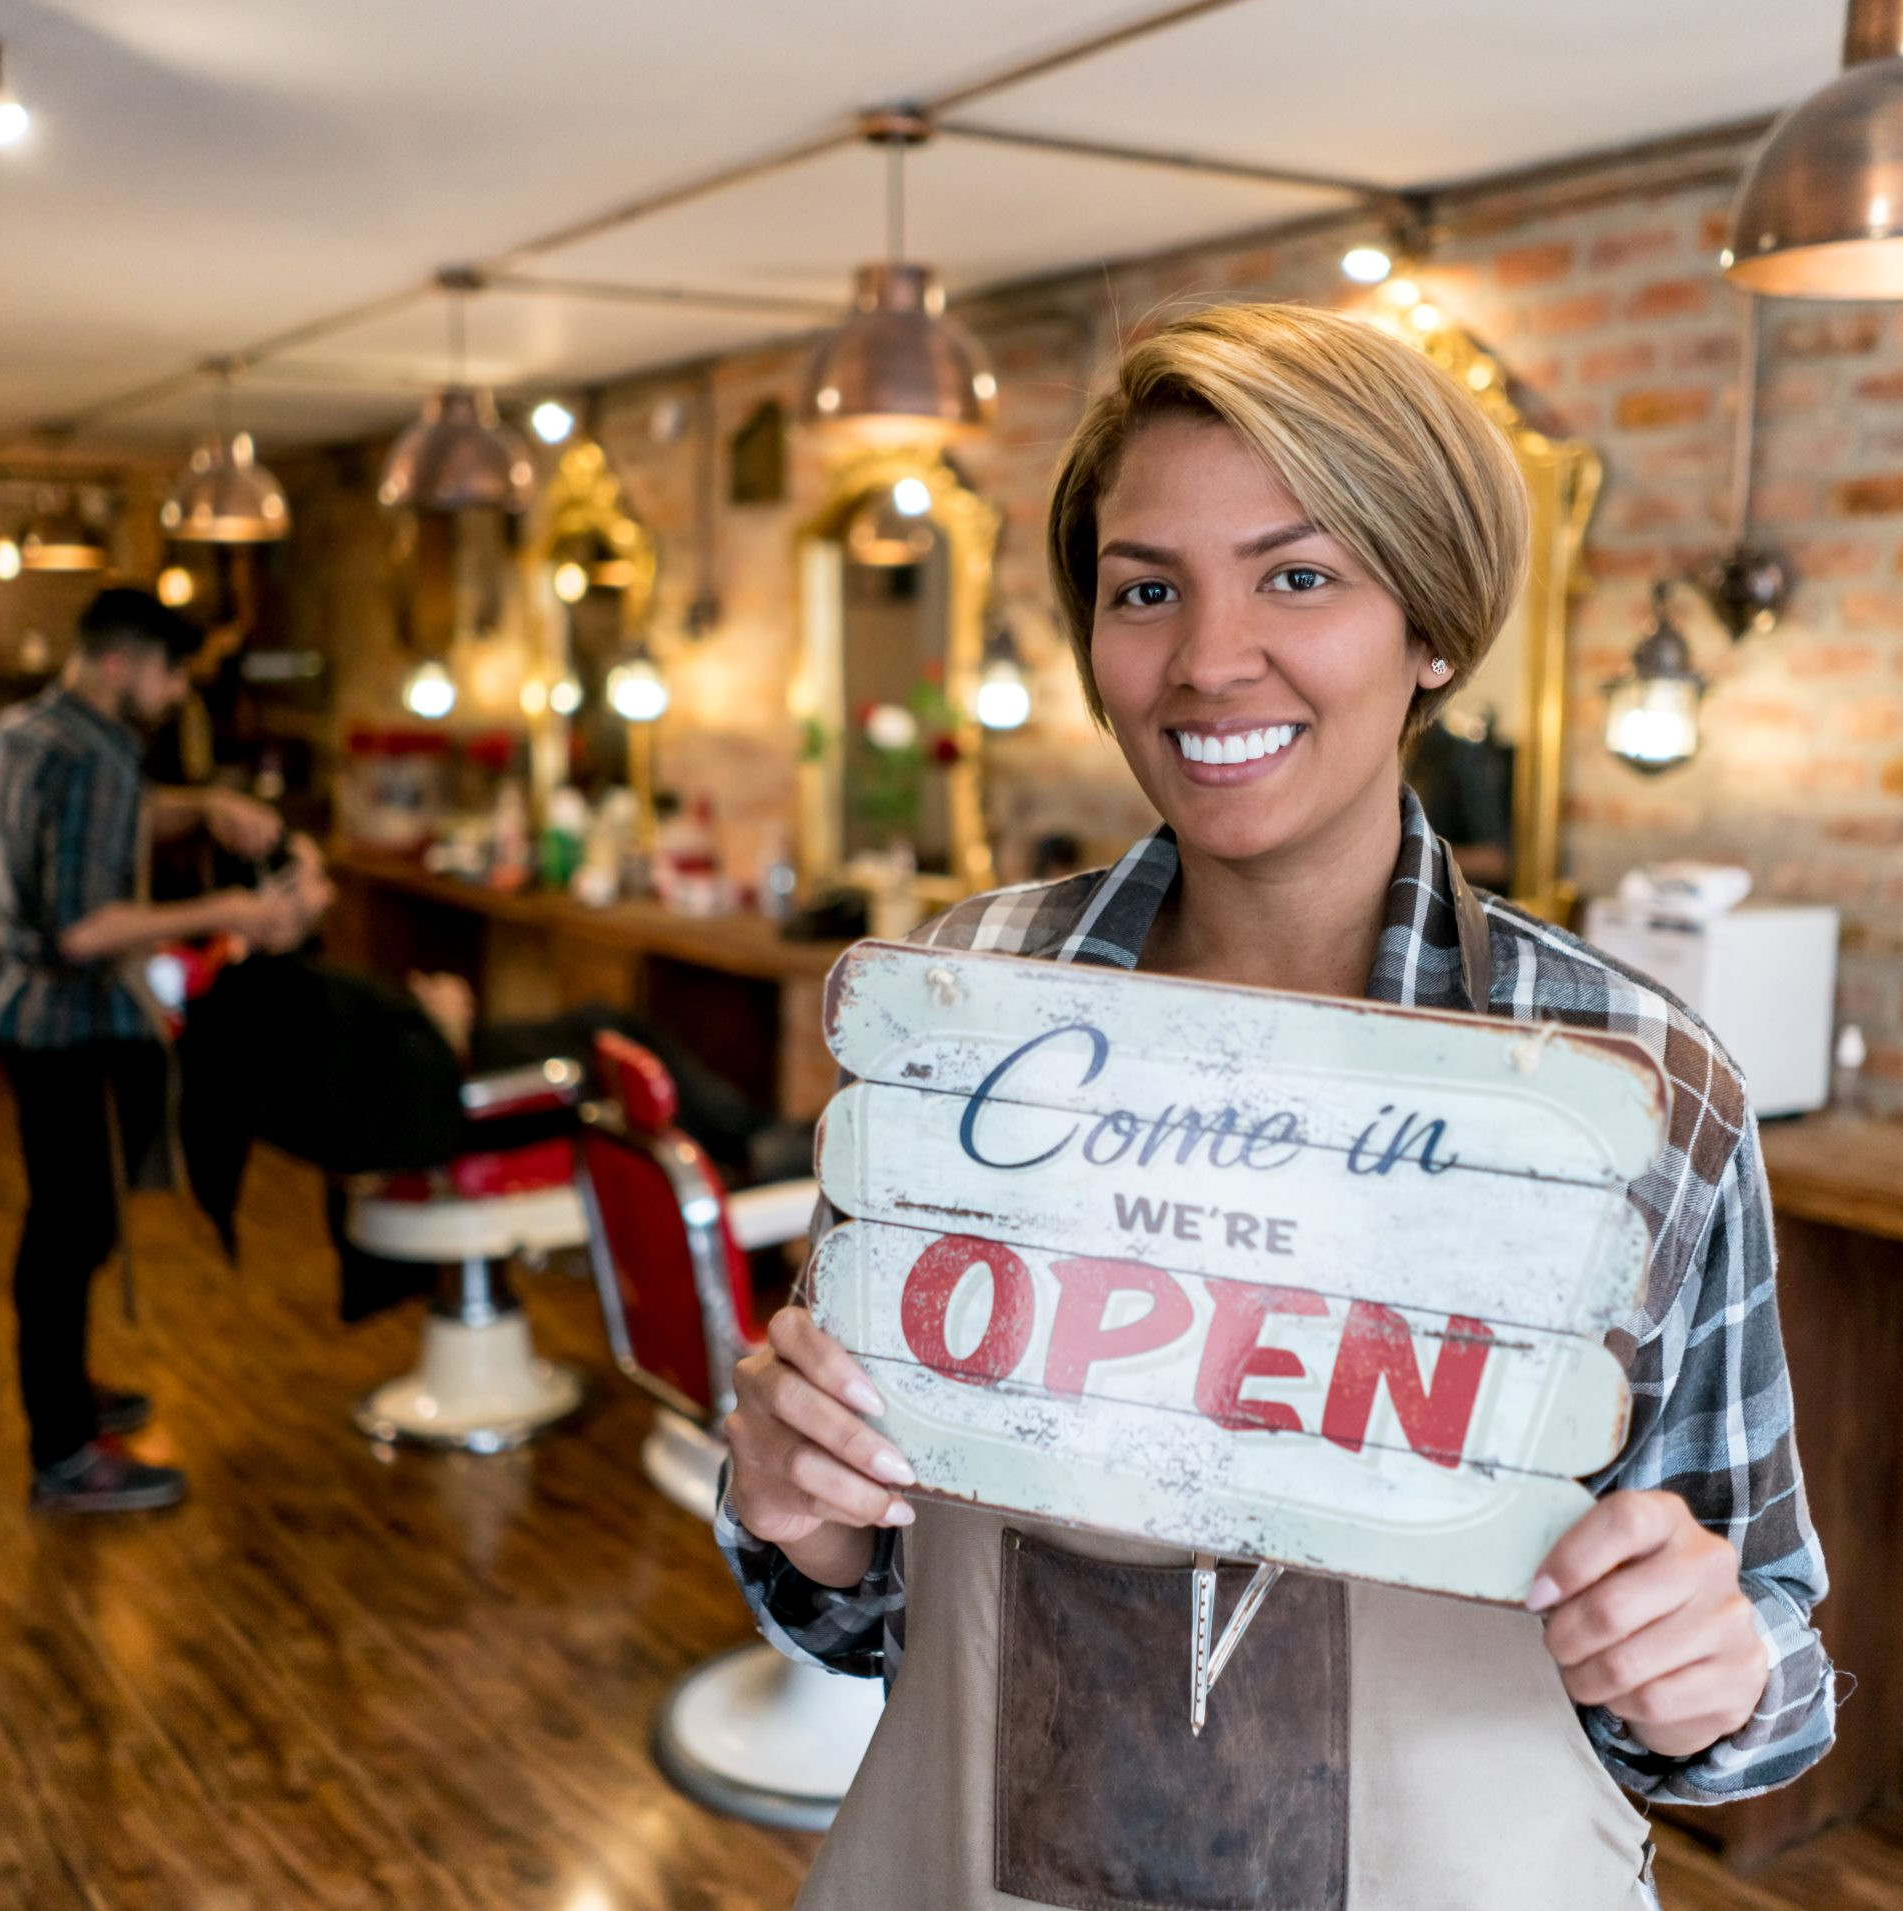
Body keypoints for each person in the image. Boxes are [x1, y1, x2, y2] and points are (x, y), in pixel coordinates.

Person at [717, 304, 1834, 1907]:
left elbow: (1767, 1650)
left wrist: (1710, 1663)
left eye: (1299, 575)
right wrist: (798, 1511)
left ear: (1431, 628)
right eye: (1145, 588)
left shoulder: (1631, 1085)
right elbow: (861, 1601)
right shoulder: (965, 1013)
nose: (1206, 658)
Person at [0, 586, 298, 1514]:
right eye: (169, 677)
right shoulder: (96, 754)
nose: (172, 697)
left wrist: (198, 805)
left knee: (69, 1223)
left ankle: (67, 1396)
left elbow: (93, 826)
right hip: (70, 1019)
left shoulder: (25, 730)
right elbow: (83, 928)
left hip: (23, 1014)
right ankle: (65, 1450)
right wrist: (229, 913)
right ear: (121, 664)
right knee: (69, 1230)